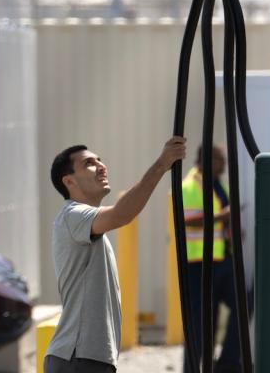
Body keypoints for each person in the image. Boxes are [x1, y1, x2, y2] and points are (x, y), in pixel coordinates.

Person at [44, 137, 187, 373]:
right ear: (69, 181)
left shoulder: (85, 222)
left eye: (100, 160)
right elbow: (122, 214)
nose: (101, 166)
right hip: (78, 358)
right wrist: (162, 164)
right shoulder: (72, 215)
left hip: (88, 358)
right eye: (89, 163)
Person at [181, 145, 241, 373]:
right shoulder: (189, 186)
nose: (224, 164)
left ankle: (226, 363)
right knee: (199, 324)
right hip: (198, 264)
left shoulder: (219, 185)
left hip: (222, 260)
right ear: (206, 160)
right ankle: (192, 369)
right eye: (220, 160)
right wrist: (223, 216)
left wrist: (230, 229)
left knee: (244, 303)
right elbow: (188, 220)